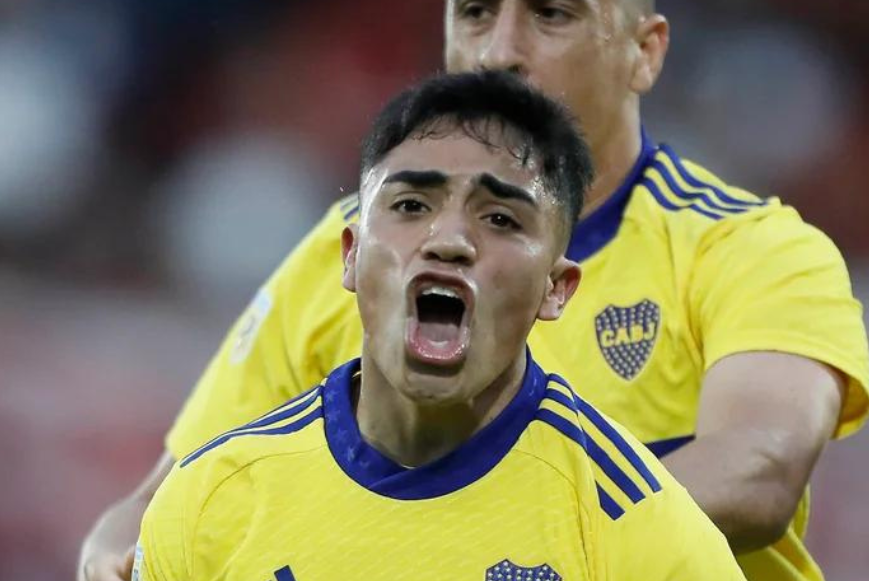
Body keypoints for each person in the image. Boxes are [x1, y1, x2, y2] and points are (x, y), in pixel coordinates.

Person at [80, 0, 869, 580]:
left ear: (644, 50)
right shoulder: (355, 246)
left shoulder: (751, 250)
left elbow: (758, 473)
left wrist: (484, 537)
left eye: (551, 13)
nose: (499, 51)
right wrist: (118, 546)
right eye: (475, 8)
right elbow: (174, 497)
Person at [132, 70, 744, 580]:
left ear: (555, 289)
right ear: (350, 256)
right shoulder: (210, 501)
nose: (449, 240)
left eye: (501, 219)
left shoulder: (633, 525)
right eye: (410, 206)